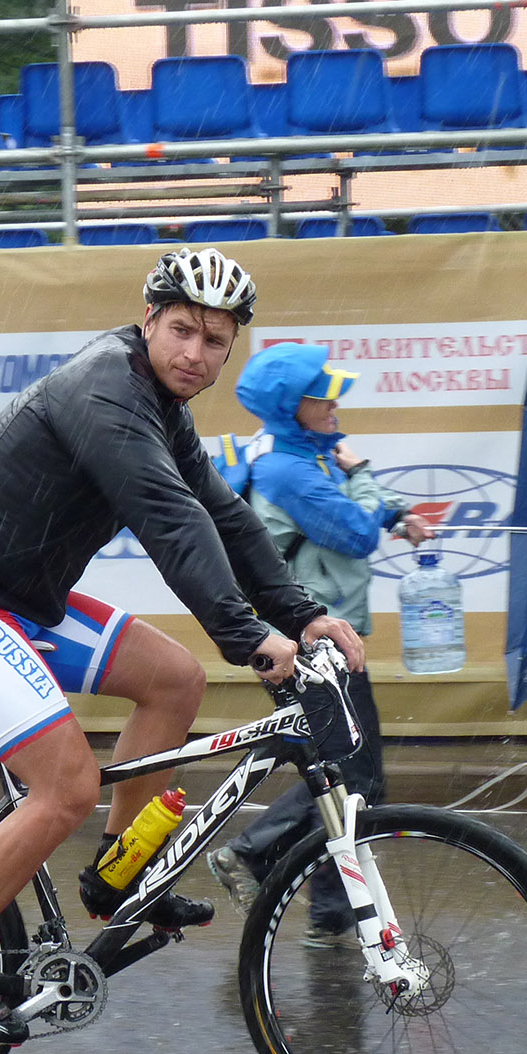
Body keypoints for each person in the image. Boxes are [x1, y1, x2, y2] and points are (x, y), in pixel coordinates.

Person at [0, 247, 366, 1043]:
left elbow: (221, 513)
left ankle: (119, 878)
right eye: (182, 330)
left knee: (175, 679)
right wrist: (250, 637)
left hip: (23, 602)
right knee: (67, 788)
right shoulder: (103, 389)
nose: (195, 353)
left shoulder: (161, 406)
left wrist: (302, 613)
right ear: (148, 320)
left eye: (215, 341)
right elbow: (169, 520)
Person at [204, 341, 434, 945]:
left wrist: (396, 513)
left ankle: (331, 911)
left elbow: (338, 509)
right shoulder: (289, 468)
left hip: (316, 638)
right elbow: (352, 531)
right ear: (291, 406)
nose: (335, 406)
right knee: (357, 782)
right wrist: (365, 476)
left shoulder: (300, 453)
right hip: (311, 642)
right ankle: (252, 853)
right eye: (322, 397)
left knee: (339, 775)